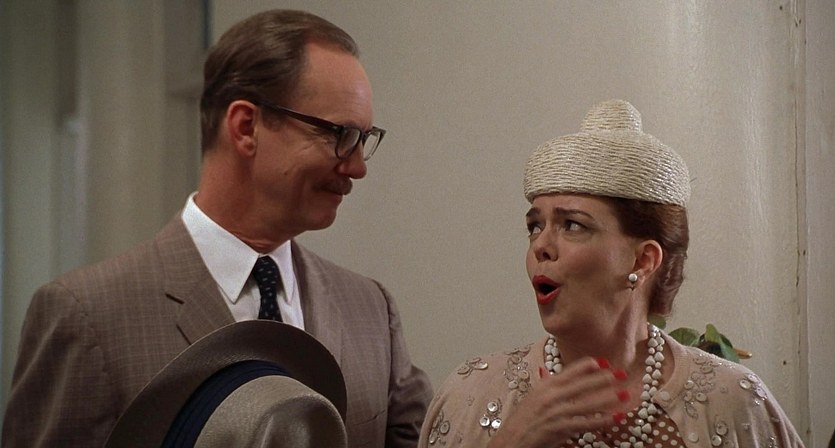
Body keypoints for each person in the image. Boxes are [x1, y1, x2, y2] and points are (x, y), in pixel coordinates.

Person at [3, 9, 431, 448]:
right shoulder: (87, 317)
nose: (358, 167)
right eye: (340, 134)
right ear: (246, 127)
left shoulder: (371, 311)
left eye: (364, 139)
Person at [418, 99, 804, 448]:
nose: (540, 246)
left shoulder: (733, 402)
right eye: (535, 226)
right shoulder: (471, 395)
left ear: (643, 260)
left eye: (572, 225)